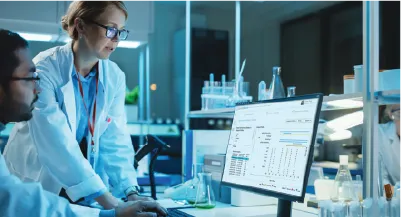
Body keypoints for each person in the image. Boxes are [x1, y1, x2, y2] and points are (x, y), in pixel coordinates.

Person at [0, 29, 167, 217]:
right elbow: (58, 146)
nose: (37, 88)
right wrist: (111, 206)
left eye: (121, 30)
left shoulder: (113, 75)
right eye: (29, 78)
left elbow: (115, 139)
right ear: (81, 27)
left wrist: (129, 192)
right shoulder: (49, 67)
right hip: (36, 181)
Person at [379, 104, 401, 186]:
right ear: (390, 113)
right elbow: (380, 179)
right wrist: (391, 195)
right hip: (392, 196)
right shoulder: (379, 133)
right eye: (400, 113)